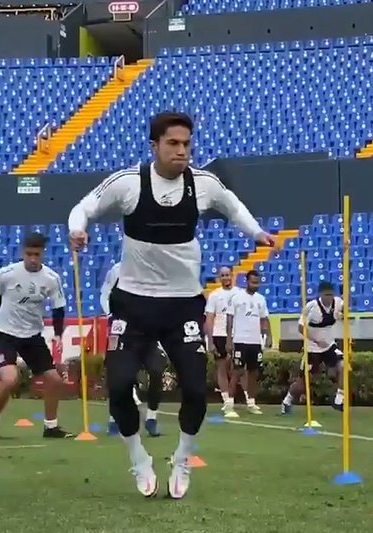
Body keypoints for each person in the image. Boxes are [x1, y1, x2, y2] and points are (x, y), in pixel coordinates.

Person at [68, 111, 275, 499]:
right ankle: (138, 458)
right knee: (118, 387)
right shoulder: (129, 183)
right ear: (155, 146)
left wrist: (257, 232)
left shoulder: (203, 184)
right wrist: (76, 230)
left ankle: (181, 459)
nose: (182, 152)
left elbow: (233, 206)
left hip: (182, 306)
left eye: (187, 144)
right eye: (173, 144)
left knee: (197, 391)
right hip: (132, 303)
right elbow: (83, 207)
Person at [0, 233, 75, 441]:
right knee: (11, 379)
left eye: (37, 254)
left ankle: (51, 426)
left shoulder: (51, 279)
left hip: (32, 335)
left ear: (43, 254)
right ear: (23, 252)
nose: (32, 258)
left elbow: (59, 308)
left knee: (55, 380)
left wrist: (58, 334)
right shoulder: (7, 273)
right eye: (29, 254)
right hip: (7, 333)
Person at [101, 260, 164, 437]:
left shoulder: (155, 270)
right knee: (117, 374)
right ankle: (114, 418)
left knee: (157, 369)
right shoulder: (117, 270)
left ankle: (151, 418)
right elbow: (104, 294)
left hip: (148, 331)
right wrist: (111, 315)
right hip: (122, 330)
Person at [281, 281, 345, 415]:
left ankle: (339, 399)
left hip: (329, 345)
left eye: (331, 295)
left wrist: (343, 316)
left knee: (343, 365)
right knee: (303, 383)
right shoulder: (311, 307)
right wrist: (316, 339)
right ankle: (287, 400)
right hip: (312, 348)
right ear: (321, 294)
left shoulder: (338, 303)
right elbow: (300, 327)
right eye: (326, 295)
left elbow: (344, 312)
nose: (329, 298)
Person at [226, 270, 268, 415]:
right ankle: (229, 404)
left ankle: (251, 402)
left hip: (255, 341)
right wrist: (229, 340)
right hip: (240, 340)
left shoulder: (261, 299)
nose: (255, 285)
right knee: (237, 371)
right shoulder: (236, 297)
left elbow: (264, 319)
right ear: (246, 281)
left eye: (257, 282)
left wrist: (267, 336)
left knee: (254, 372)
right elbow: (230, 318)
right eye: (253, 282)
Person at [204, 266, 238, 413]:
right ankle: (227, 400)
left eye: (227, 275)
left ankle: (248, 400)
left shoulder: (239, 294)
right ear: (219, 278)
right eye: (222, 275)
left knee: (238, 368)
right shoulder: (214, 295)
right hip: (219, 334)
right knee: (222, 368)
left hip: (237, 334)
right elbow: (209, 318)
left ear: (232, 276)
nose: (225, 278)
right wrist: (210, 340)